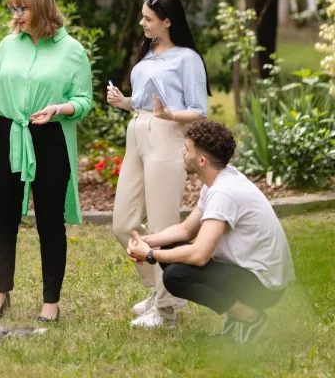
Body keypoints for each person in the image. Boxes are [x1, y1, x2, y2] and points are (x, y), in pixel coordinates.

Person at [0, 0, 93, 322]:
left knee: (50, 222)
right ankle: (0, 295)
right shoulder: (8, 45)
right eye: (13, 8)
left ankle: (50, 304)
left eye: (22, 8)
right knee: (4, 218)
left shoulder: (72, 50)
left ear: (41, 8)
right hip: (7, 132)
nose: (17, 15)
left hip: (49, 137)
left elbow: (84, 101)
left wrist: (58, 109)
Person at [126, 120, 295, 344]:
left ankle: (252, 318)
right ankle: (240, 319)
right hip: (251, 274)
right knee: (169, 251)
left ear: (202, 160)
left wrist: (149, 255)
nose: (183, 153)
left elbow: (199, 255)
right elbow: (186, 230)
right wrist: (146, 241)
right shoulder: (219, 181)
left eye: (186, 149)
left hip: (264, 287)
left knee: (175, 275)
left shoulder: (223, 192)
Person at [106, 0, 212, 329]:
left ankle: (165, 310)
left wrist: (167, 115)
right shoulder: (147, 53)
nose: (142, 23)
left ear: (168, 22)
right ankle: (157, 291)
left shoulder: (187, 58)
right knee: (123, 223)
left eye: (148, 19)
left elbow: (198, 111)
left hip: (168, 137)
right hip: (137, 133)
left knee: (164, 225)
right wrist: (124, 101)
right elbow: (145, 98)